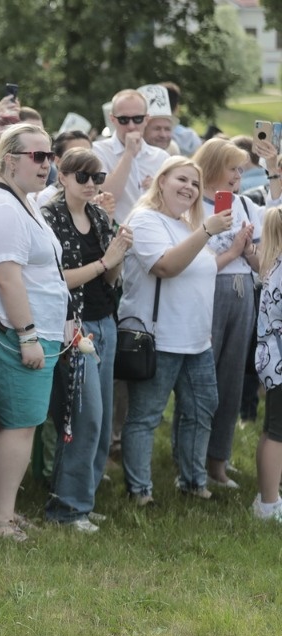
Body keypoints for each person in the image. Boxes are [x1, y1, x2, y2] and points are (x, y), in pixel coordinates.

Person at [0, 123, 69, 541]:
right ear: (9, 160)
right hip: (12, 327)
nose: (46, 164)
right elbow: (7, 279)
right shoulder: (1, 206)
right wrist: (27, 335)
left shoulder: (20, 201)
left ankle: (0, 509)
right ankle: (0, 518)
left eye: (50, 155)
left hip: (31, 325)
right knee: (21, 422)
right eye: (37, 156)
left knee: (17, 423)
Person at [118, 156, 232, 505]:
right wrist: (208, 230)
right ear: (162, 180)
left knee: (201, 410)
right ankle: (139, 491)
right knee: (146, 416)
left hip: (197, 340)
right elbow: (166, 266)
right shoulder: (145, 219)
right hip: (158, 338)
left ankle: (193, 481)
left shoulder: (186, 225)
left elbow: (201, 272)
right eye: (182, 179)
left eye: (195, 184)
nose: (189, 188)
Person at [40, 148, 132, 531]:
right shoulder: (50, 218)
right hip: (72, 327)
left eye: (98, 177)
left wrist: (120, 254)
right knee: (85, 416)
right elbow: (57, 279)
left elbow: (109, 278)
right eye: (83, 177)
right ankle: (68, 507)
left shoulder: (97, 215)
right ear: (62, 176)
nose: (92, 184)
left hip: (104, 319)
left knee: (102, 414)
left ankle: (83, 497)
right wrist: (105, 261)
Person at [187, 138, 280, 488]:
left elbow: (259, 258)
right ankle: (191, 464)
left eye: (242, 168)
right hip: (205, 295)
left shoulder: (243, 203)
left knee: (230, 380)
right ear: (211, 167)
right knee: (201, 382)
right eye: (233, 168)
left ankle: (217, 462)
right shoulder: (193, 205)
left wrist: (250, 250)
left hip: (242, 294)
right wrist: (236, 250)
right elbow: (195, 261)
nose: (239, 175)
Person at [92, 89, 169, 223]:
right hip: (116, 236)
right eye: (124, 120)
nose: (131, 126)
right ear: (112, 119)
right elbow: (106, 196)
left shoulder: (161, 157)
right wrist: (128, 154)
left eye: (137, 119)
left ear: (146, 119)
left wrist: (159, 190)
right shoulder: (98, 150)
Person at [253, 206, 282, 521]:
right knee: (278, 432)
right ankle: (269, 504)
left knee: (272, 428)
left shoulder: (275, 263)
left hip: (273, 360)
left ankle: (268, 496)